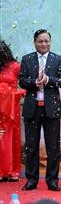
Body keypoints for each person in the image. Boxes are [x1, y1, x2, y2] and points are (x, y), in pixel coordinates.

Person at [19, 29, 61, 191]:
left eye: (47, 41)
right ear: (35, 42)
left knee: (53, 147)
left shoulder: (57, 59)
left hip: (51, 109)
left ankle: (52, 180)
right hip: (32, 109)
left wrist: (48, 80)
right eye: (40, 41)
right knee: (31, 146)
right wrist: (34, 82)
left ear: (50, 42)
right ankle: (31, 179)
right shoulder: (27, 60)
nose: (44, 44)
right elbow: (22, 81)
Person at [0, 40, 21, 182]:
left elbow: (24, 84)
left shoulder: (15, 66)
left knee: (11, 137)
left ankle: (12, 171)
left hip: (11, 109)